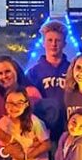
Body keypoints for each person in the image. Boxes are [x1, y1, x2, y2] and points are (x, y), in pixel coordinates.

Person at [26, 20, 70, 148]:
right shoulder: (34, 72)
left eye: (58, 40)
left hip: (67, 128)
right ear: (43, 43)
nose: (54, 44)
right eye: (50, 40)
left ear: (64, 43)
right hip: (44, 129)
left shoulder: (72, 69)